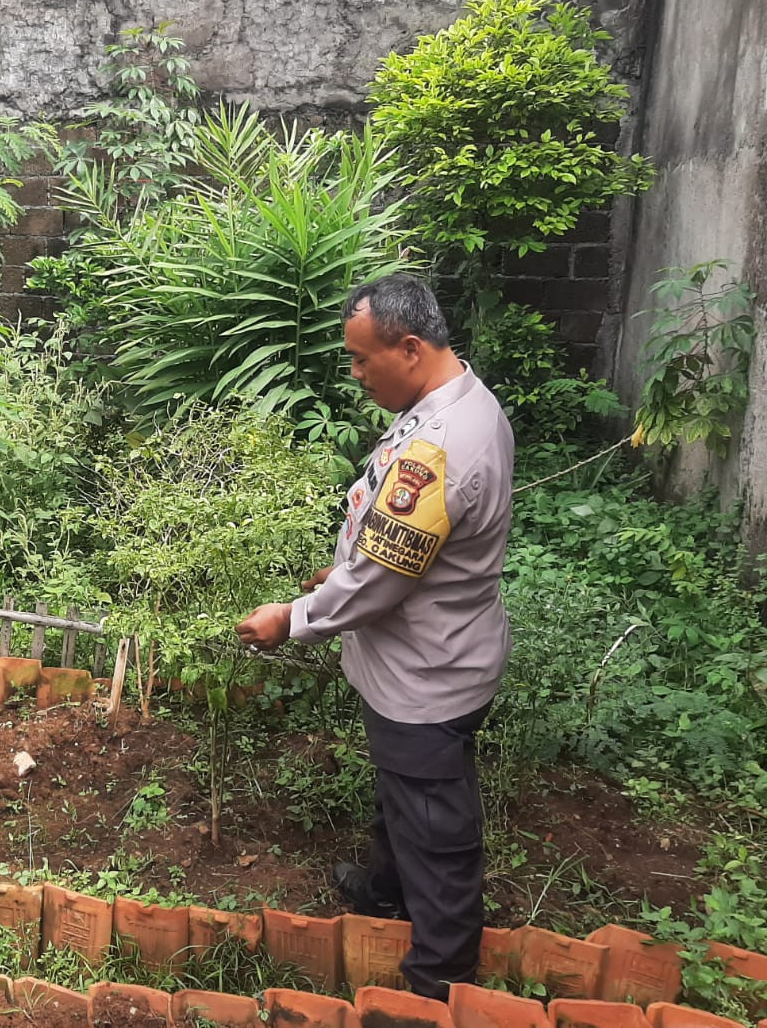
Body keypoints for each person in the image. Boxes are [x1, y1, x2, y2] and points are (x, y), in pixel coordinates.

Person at [235, 274, 514, 1001]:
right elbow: (406, 547)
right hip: (427, 657)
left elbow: (384, 582)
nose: (356, 375)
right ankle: (385, 889)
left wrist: (292, 617)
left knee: (435, 826)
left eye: (363, 360)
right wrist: (356, 561)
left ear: (412, 347)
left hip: (427, 680)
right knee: (403, 797)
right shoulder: (458, 404)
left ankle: (437, 980)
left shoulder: (442, 445)